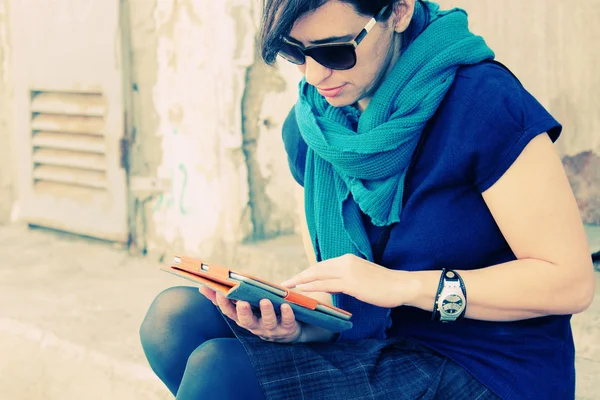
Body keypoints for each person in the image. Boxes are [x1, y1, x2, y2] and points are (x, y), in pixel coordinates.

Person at [139, 1, 596, 399]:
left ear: (397, 11)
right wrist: (300, 326)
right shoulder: (314, 129)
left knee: (222, 372)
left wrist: (405, 286)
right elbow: (340, 290)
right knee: (175, 321)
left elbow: (569, 282)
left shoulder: (483, 103)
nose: (316, 75)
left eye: (335, 50)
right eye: (296, 53)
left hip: (486, 366)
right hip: (370, 340)